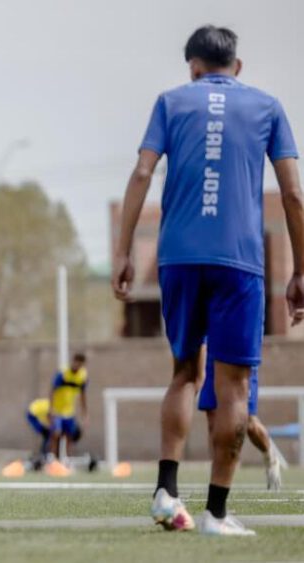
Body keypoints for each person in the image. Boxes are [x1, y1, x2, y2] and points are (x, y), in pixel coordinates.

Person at [113, 26, 304, 536]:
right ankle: (217, 513)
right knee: (234, 386)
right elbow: (293, 196)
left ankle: (166, 490)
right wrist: (301, 271)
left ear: (193, 68)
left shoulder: (171, 102)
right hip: (239, 261)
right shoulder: (267, 106)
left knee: (184, 373)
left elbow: (139, 175)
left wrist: (123, 252)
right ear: (236, 67)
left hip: (177, 257)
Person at [199, 353, 281, 490]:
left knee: (248, 423)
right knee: (213, 418)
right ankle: (217, 488)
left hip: (240, 354)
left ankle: (270, 456)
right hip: (213, 355)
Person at [48, 353, 88, 461]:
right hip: (57, 410)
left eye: (80, 364)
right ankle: (53, 459)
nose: (78, 366)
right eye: (76, 363)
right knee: (56, 434)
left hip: (69, 411)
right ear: (73, 361)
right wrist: (50, 409)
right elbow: (52, 390)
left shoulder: (82, 376)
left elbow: (83, 395)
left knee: (69, 436)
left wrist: (85, 414)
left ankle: (67, 461)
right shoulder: (63, 373)